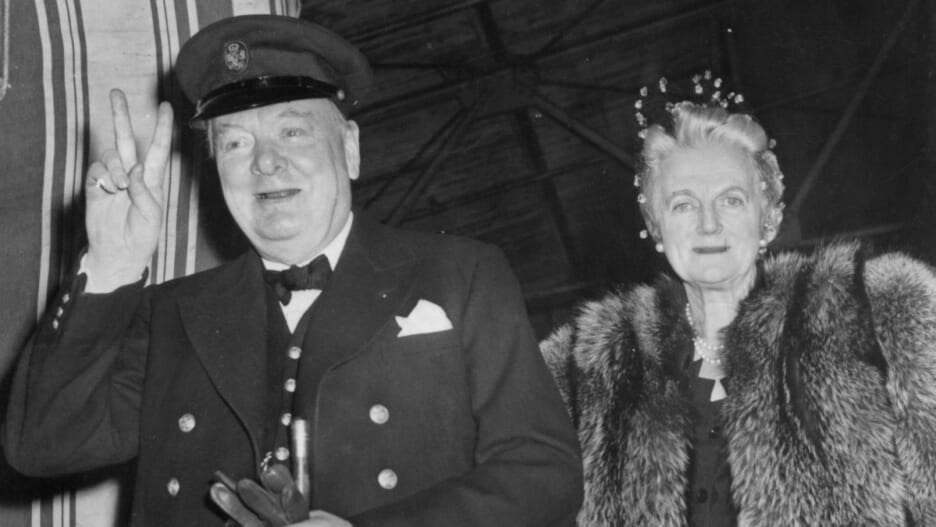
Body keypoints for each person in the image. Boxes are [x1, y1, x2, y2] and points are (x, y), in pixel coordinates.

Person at [3, 14, 583, 527]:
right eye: (235, 144)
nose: (265, 162)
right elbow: (41, 445)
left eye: (292, 130)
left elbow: (543, 475)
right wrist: (111, 266)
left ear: (349, 148)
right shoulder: (173, 312)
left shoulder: (463, 274)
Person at [541, 95, 936, 525]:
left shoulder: (872, 310)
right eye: (683, 204)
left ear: (768, 217)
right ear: (655, 226)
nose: (708, 224)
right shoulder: (587, 373)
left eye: (731, 200)